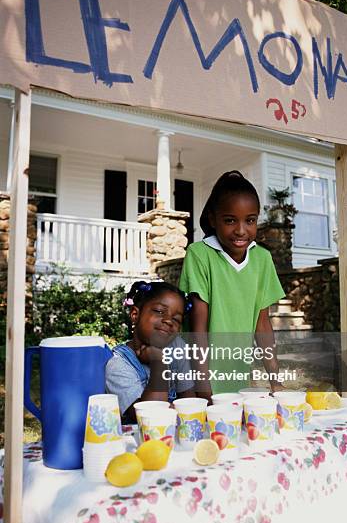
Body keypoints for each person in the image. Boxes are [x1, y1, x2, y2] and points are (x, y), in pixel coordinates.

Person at [179, 170, 285, 397]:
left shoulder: (262, 259)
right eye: (230, 220)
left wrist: (275, 381)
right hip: (197, 377)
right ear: (212, 219)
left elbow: (263, 324)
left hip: (238, 375)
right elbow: (198, 326)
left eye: (250, 220)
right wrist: (203, 384)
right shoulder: (199, 254)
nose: (240, 230)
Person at [106, 281, 196, 423]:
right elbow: (151, 417)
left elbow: (190, 403)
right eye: (160, 311)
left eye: (176, 319)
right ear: (135, 314)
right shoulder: (118, 365)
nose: (168, 321)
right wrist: (158, 362)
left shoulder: (177, 347)